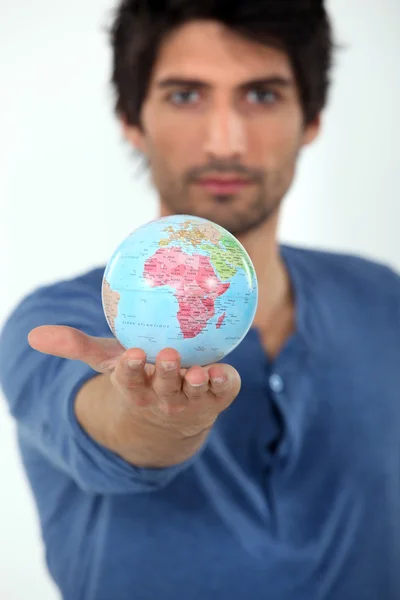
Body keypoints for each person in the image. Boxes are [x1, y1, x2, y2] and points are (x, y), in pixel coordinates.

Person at [0, 1, 399, 599]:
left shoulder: (382, 297)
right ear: (133, 120)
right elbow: (106, 423)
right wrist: (151, 415)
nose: (225, 141)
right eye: (185, 96)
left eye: (261, 95)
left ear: (311, 119)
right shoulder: (55, 324)